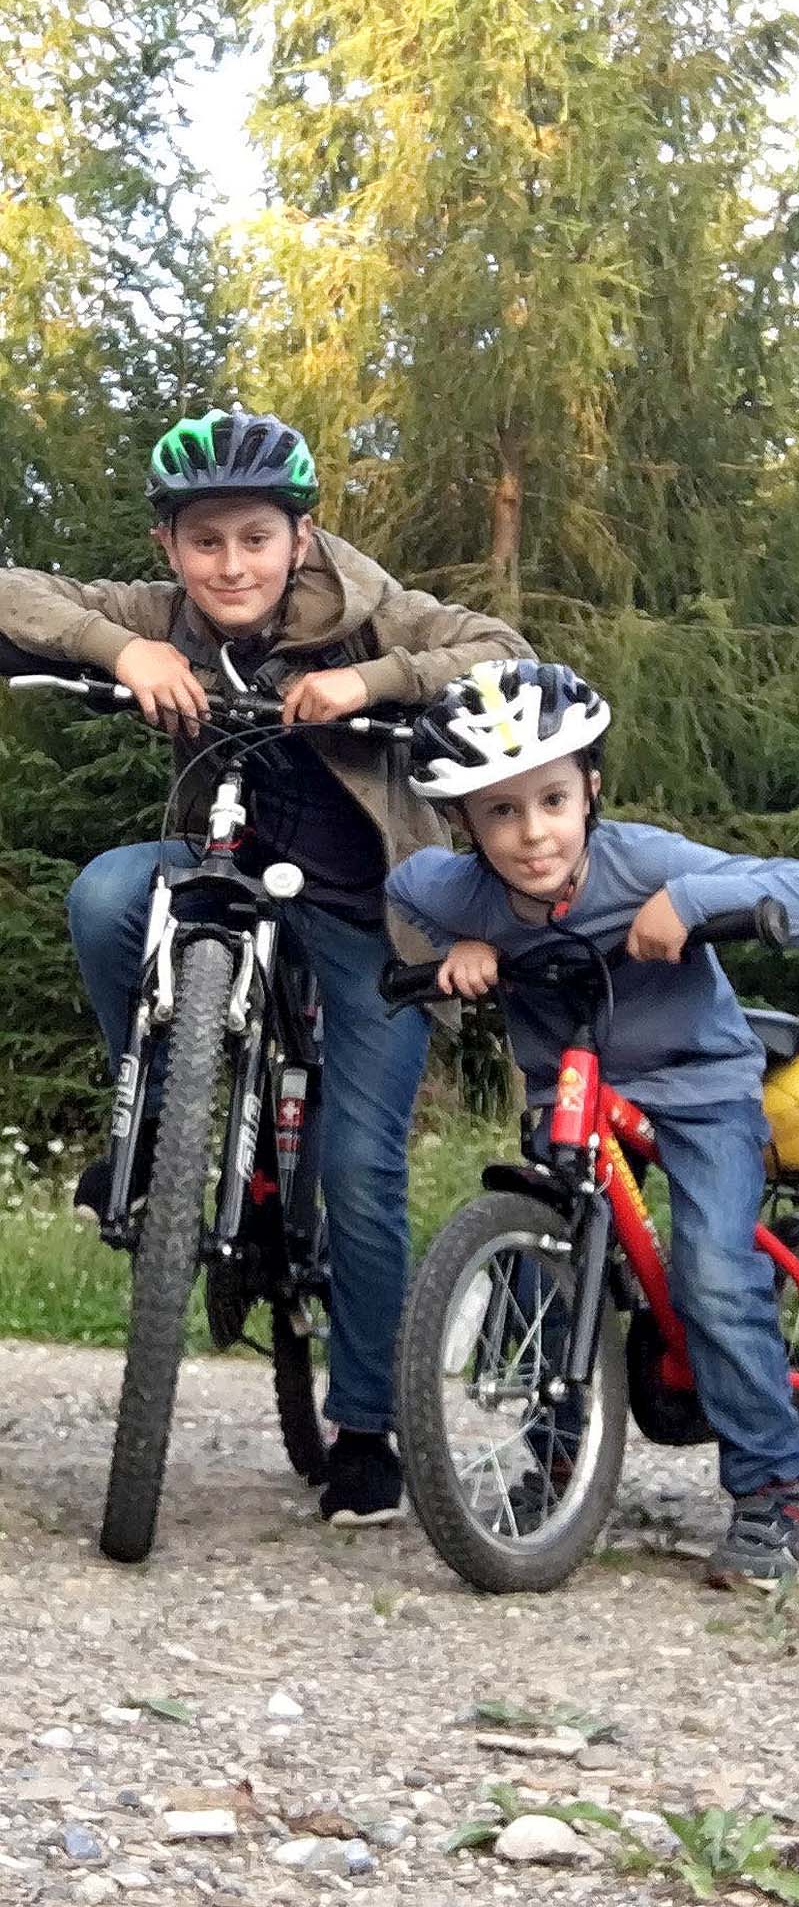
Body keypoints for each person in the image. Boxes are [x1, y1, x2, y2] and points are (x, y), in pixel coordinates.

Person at [0, 407, 532, 1526]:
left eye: (255, 537)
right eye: (204, 542)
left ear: (300, 536)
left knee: (358, 1162)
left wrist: (375, 681)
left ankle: (371, 1428)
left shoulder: (366, 606)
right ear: (170, 551)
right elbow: (15, 593)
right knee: (105, 892)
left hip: (368, 908)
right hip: (223, 865)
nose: (230, 563)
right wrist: (122, 647)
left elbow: (504, 651)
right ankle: (152, 1121)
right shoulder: (167, 616)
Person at [388, 660, 799, 1587]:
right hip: (566, 1089)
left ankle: (772, 1496)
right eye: (501, 813)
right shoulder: (461, 889)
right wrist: (461, 947)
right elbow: (406, 889)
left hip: (698, 1084)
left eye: (553, 800)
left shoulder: (646, 861)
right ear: (463, 823)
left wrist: (692, 903)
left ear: (590, 790)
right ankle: (560, 1456)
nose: (533, 835)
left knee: (714, 1271)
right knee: (541, 1266)